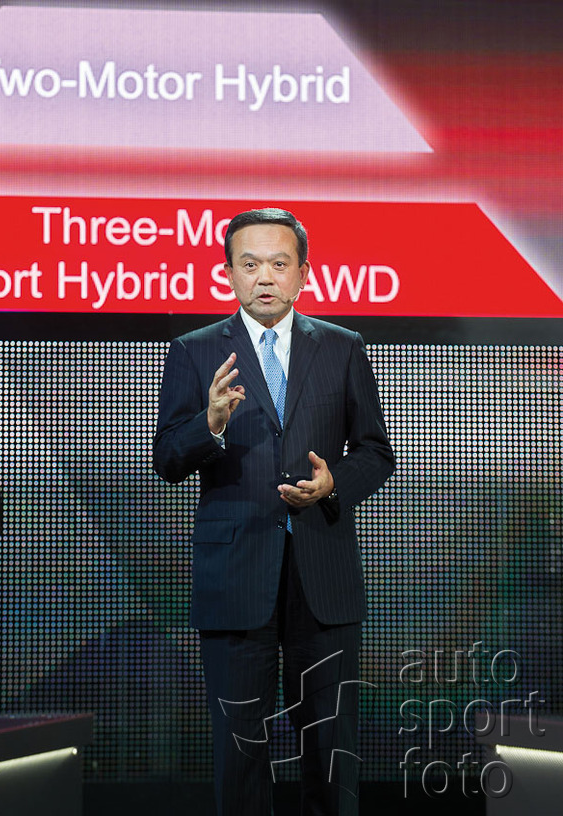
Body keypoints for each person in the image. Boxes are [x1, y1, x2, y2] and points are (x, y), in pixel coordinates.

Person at [153, 207, 394, 815]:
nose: (265, 276)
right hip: (235, 578)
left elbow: (375, 452)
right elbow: (168, 460)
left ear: (304, 273)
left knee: (331, 752)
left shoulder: (341, 347)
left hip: (324, 574)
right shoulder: (194, 352)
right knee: (241, 755)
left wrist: (333, 483)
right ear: (228, 273)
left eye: (280, 263)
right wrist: (208, 425)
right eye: (250, 263)